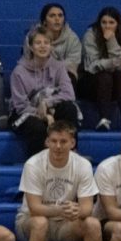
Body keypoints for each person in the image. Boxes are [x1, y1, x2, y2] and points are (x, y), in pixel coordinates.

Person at [15, 120, 101, 241]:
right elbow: (35, 208)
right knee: (40, 222)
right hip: (29, 221)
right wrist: (61, 210)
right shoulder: (34, 164)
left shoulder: (83, 165)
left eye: (63, 141)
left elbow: (88, 207)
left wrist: (78, 210)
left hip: (64, 225)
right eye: (54, 141)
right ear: (46, 142)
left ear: (72, 143)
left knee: (93, 224)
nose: (58, 146)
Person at [11, 28, 80, 156]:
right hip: (27, 113)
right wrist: (43, 115)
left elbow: (69, 94)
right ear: (31, 47)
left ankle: (71, 153)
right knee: (38, 127)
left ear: (51, 46)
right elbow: (20, 105)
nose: (43, 46)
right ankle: (38, 163)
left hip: (51, 109)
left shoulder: (58, 66)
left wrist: (47, 103)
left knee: (69, 108)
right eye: (38, 43)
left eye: (46, 42)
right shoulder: (19, 71)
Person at [80, 6, 121, 132]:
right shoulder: (90, 35)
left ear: (117, 24)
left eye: (111, 23)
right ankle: (104, 119)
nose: (107, 26)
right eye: (104, 22)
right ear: (99, 23)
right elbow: (92, 66)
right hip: (90, 84)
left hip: (113, 85)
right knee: (104, 75)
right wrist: (113, 62)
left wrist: (112, 41)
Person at [24, 2, 81, 85]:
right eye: (52, 16)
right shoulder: (32, 36)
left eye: (60, 15)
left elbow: (73, 62)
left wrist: (53, 67)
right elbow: (28, 58)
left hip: (64, 72)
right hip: (37, 71)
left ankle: (65, 97)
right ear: (44, 21)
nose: (57, 19)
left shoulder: (72, 38)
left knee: (68, 77)